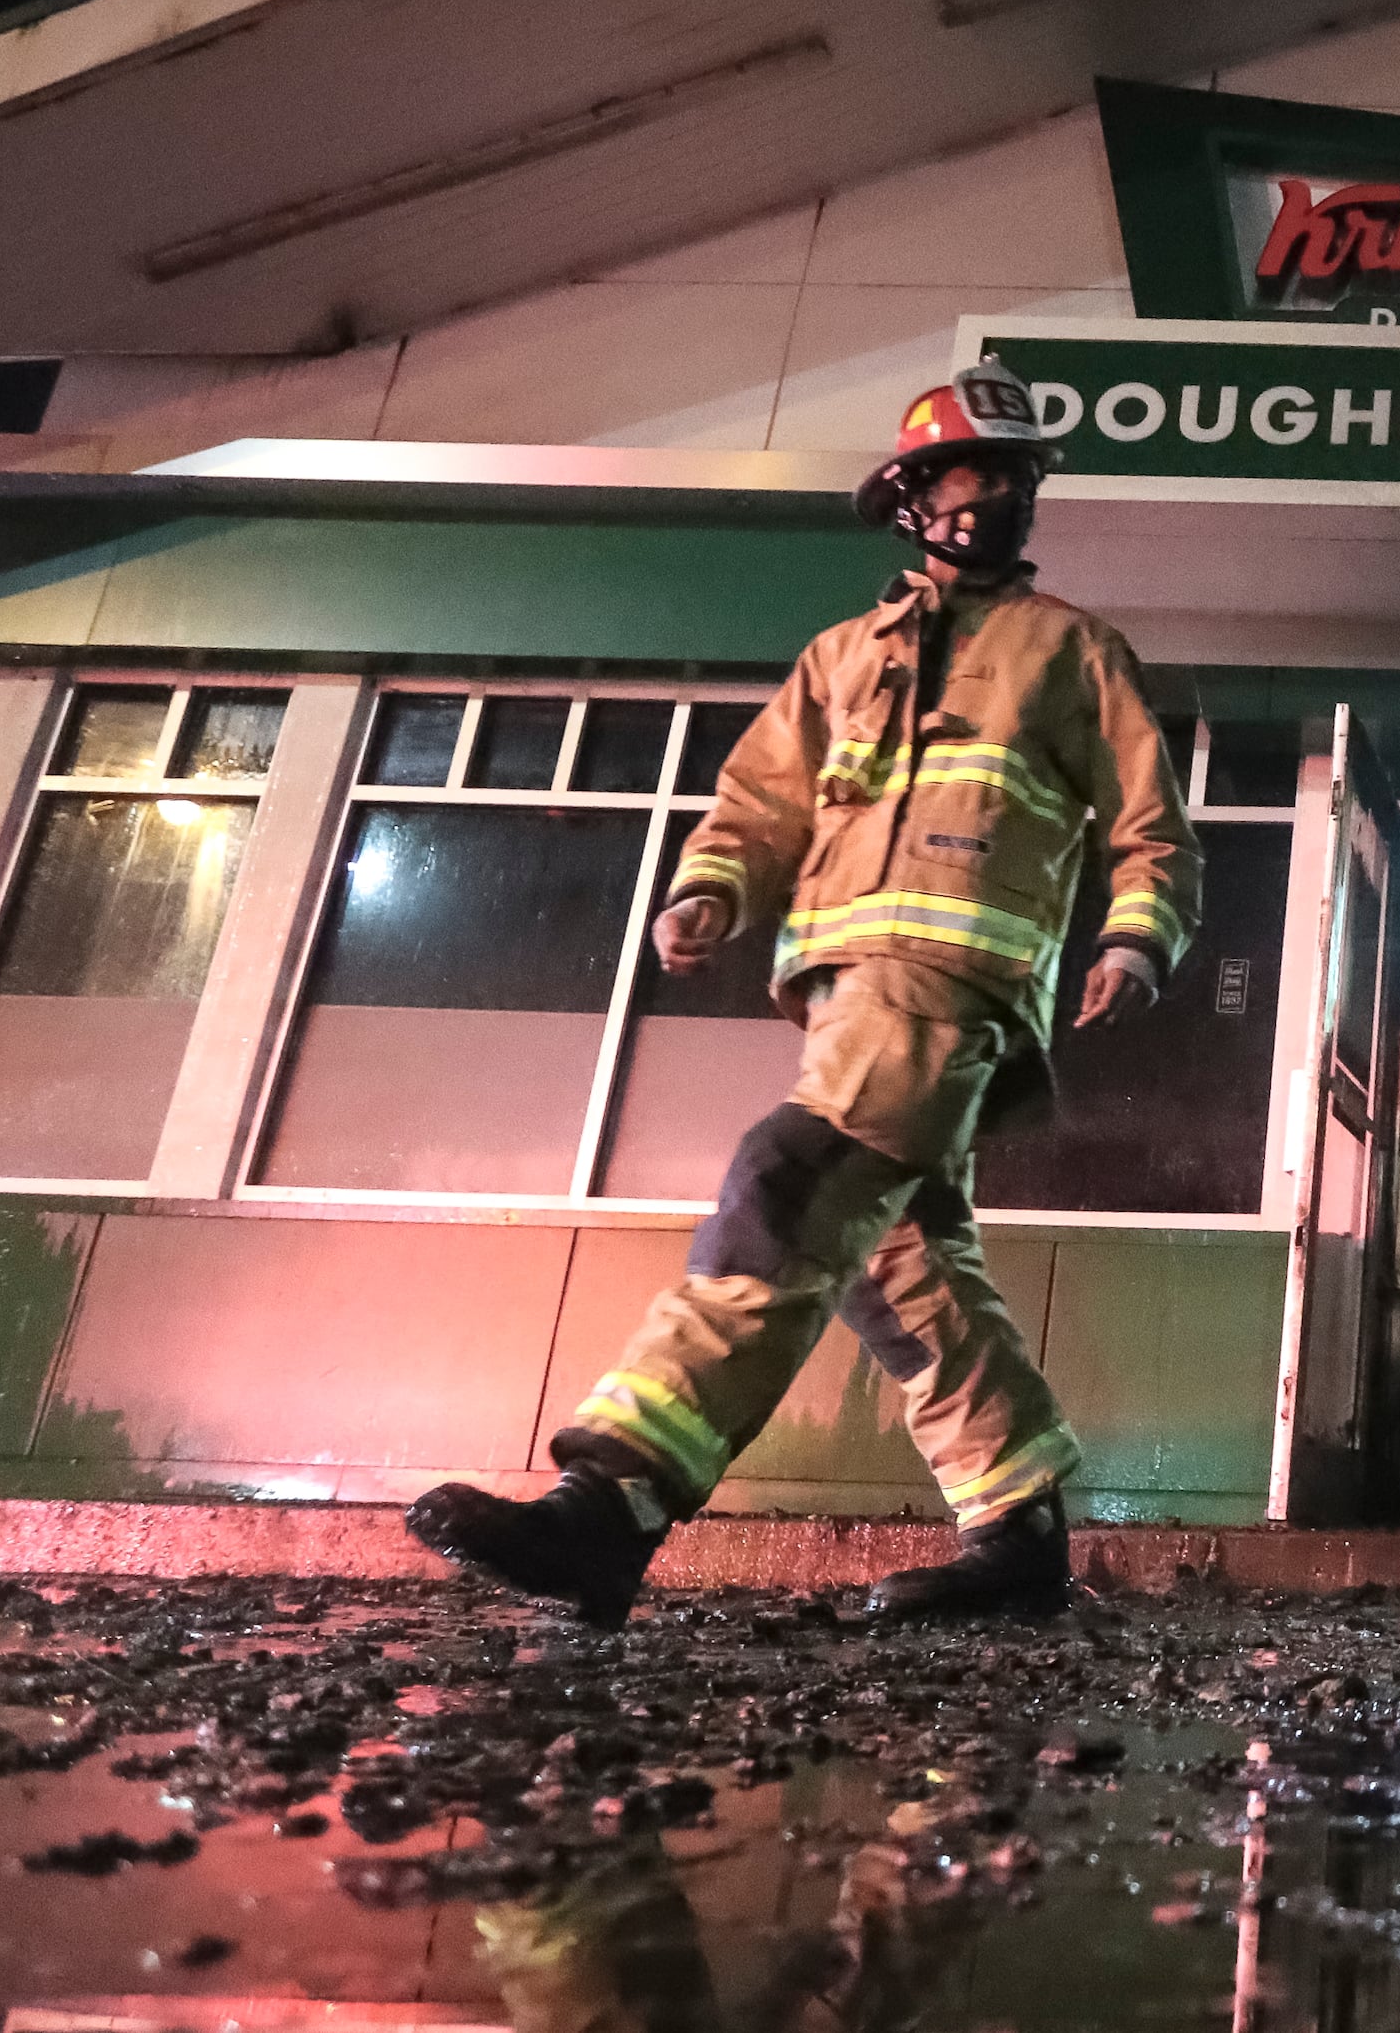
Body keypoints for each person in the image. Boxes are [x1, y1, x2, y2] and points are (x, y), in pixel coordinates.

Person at [408, 359, 1199, 1627]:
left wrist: (1135, 941)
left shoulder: (1073, 651)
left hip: (955, 991)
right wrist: (707, 891)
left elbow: (1154, 824)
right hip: (842, 997)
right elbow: (758, 801)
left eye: (1014, 479)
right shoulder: (839, 658)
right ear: (911, 498)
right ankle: (1018, 1526)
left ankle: (616, 1500)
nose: (996, 499)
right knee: (900, 1262)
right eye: (969, 476)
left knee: (787, 1185)